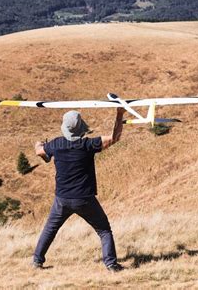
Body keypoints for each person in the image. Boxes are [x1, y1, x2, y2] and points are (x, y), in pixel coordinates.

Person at [32, 107, 126, 272]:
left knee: (50, 229)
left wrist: (38, 144)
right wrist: (119, 114)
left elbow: (40, 151)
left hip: (62, 199)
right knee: (104, 230)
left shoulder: (56, 144)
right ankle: (111, 264)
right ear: (81, 127)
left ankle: (37, 261)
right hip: (85, 199)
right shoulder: (88, 145)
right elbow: (114, 138)